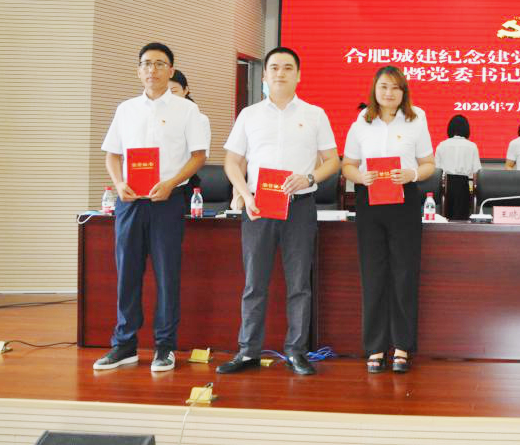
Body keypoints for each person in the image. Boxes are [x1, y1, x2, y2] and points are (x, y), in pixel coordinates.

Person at [217, 47, 340, 377]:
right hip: (259, 207)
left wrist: (309, 177)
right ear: (265, 75)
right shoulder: (249, 115)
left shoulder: (315, 114)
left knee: (299, 283)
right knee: (254, 283)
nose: (280, 73)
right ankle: (248, 351)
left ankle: (296, 351)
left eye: (288, 68)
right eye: (274, 68)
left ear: (299, 75)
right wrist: (245, 195)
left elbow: (332, 161)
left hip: (299, 206)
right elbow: (232, 161)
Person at [94, 43, 209, 373]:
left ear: (170, 70)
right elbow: (113, 155)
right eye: (146, 64)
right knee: (127, 273)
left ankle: (165, 346)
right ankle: (124, 345)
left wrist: (171, 183)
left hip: (166, 201)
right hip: (130, 201)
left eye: (160, 64)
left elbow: (198, 156)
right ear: (138, 71)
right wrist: (119, 183)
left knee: (167, 274)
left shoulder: (187, 111)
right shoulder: (126, 109)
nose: (152, 70)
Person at [342, 66, 436, 374]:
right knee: (373, 274)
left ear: (403, 92)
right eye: (384, 86)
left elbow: (429, 164)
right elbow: (348, 166)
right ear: (375, 89)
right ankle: (375, 347)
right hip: (369, 201)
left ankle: (402, 346)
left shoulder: (416, 120)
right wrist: (360, 177)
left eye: (396, 87)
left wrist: (412, 174)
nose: (389, 93)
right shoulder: (361, 122)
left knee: (404, 274)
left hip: (404, 200)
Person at [168, 69, 213, 201]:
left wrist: (172, 181)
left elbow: (201, 156)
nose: (169, 96)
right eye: (165, 92)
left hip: (184, 183)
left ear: (185, 90)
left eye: (174, 91)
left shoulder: (199, 119)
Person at [434, 114, 481, 220]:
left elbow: (436, 171)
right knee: (462, 219)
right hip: (463, 185)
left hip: (445, 186)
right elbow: (477, 172)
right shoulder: (472, 146)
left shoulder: (442, 145)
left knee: (445, 218)